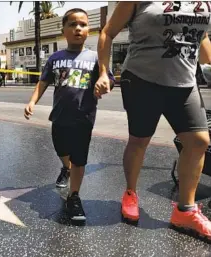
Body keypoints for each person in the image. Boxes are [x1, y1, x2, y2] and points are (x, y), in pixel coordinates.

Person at [95, 2, 211, 239]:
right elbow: (107, 32)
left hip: (185, 82)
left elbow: (202, 36)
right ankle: (130, 193)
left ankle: (185, 211)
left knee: (199, 141)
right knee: (139, 140)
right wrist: (103, 72)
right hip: (141, 79)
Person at [24, 8, 114, 221]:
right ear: (63, 29)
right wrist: (32, 101)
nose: (77, 28)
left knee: (79, 158)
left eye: (82, 24)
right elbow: (44, 81)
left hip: (84, 118)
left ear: (88, 30)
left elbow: (108, 78)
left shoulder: (96, 58)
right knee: (61, 149)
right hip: (60, 117)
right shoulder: (55, 58)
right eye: (72, 24)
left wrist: (105, 83)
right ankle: (66, 167)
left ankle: (74, 197)